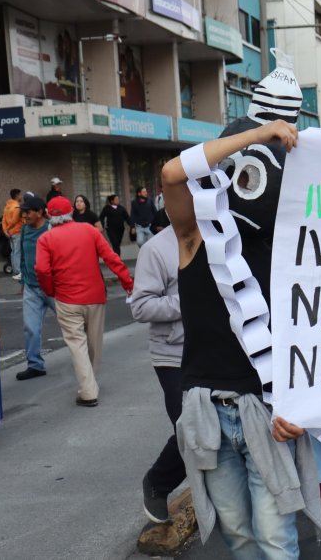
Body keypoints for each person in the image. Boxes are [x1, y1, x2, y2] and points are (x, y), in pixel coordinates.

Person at [162, 117, 321, 558]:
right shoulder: (195, 237)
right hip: (208, 409)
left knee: (275, 539)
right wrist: (255, 135)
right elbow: (172, 174)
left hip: (267, 413)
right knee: (237, 535)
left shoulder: (289, 253)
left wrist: (303, 409)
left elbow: (317, 338)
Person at [35, 196, 133, 407]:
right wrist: (127, 282)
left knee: (76, 344)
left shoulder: (46, 239)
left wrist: (50, 290)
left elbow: (42, 269)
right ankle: (91, 381)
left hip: (66, 297)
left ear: (49, 215)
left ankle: (88, 390)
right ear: (70, 211)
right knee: (94, 342)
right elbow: (110, 257)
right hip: (95, 295)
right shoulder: (89, 230)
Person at [130, 222, 189, 523]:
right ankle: (157, 483)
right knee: (189, 428)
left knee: (225, 425)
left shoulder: (225, 235)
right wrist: (192, 300)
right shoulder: (156, 248)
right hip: (174, 355)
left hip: (222, 349)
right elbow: (140, 307)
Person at [14, 195, 54, 381]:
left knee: (72, 325)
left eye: (28, 211)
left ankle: (85, 355)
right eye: (23, 211)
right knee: (30, 327)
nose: (25, 215)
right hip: (31, 286)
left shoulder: (51, 229)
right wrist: (23, 281)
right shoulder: (24, 230)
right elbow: (23, 257)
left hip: (53, 287)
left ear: (40, 212)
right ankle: (35, 365)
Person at [1, 189, 24, 281]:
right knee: (17, 251)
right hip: (17, 231)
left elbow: (3, 220)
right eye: (20, 195)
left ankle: (15, 270)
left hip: (10, 233)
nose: (21, 197)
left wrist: (5, 230)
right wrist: (8, 229)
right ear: (17, 195)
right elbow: (14, 221)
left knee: (14, 251)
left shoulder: (7, 207)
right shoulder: (17, 207)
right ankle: (18, 271)